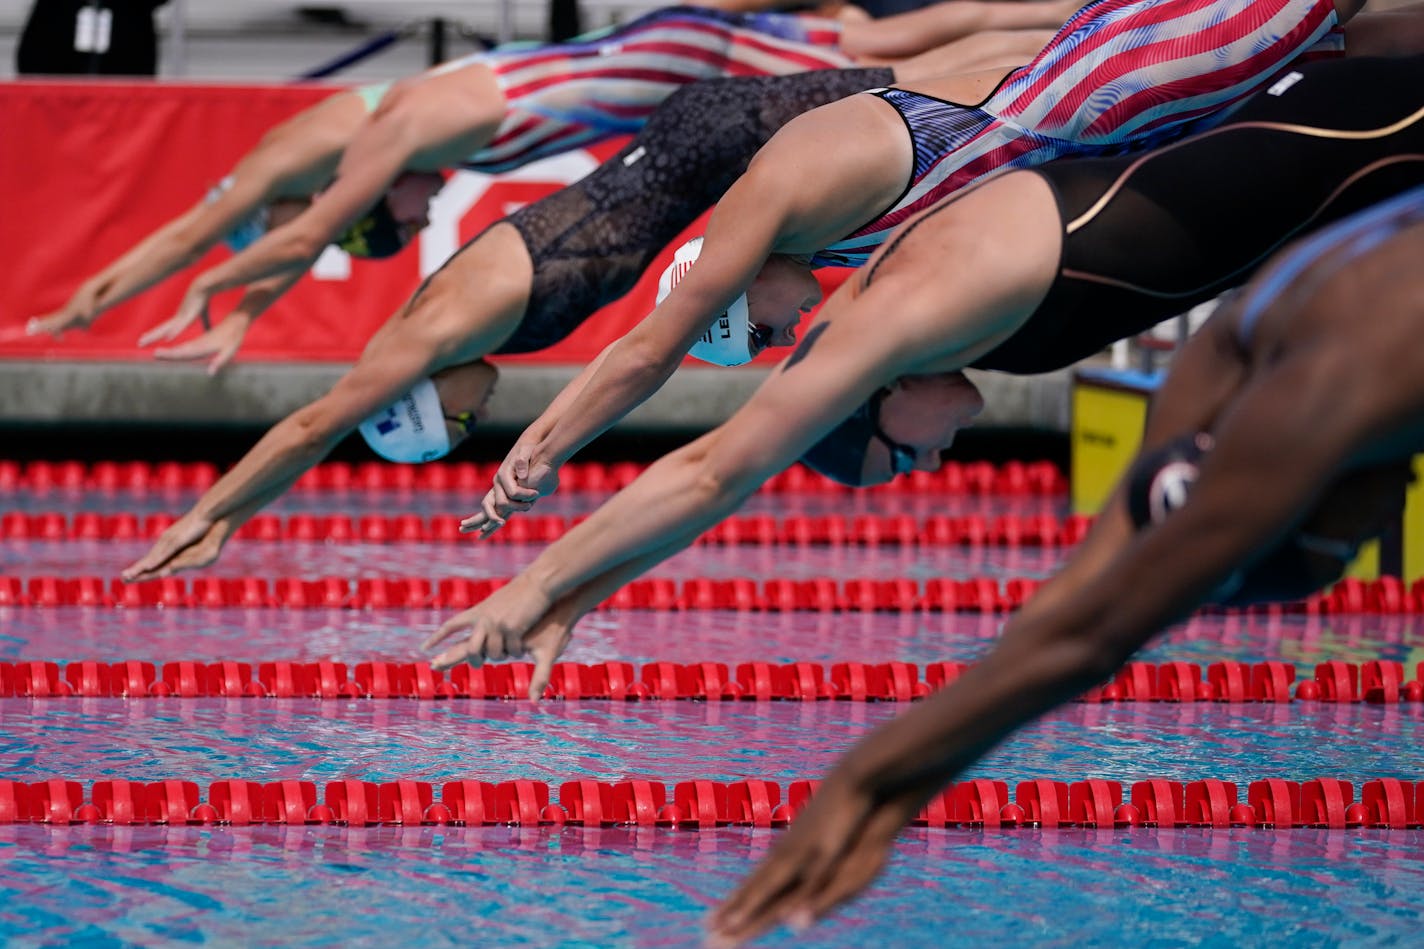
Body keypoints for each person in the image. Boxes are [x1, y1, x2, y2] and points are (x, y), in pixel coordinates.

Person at [417, 50, 1424, 697]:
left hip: (1215, 73)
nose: (938, 459)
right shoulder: (880, 276)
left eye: (908, 455)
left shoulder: (891, 297)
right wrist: (577, 599)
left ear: (879, 397)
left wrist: (536, 559)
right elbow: (731, 473)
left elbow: (712, 460)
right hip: (1263, 127)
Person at [706, 184, 1424, 946]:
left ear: (1293, 500)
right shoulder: (1245, 350)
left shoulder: (1305, 384)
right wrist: (894, 793)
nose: (1392, 510)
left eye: (1346, 548)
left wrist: (862, 784)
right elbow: (1080, 605)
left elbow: (1096, 632)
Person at [465, 0, 1399, 533]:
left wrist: (539, 449)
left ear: (724, 283)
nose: (786, 333)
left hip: (1121, 79)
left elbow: (643, 351)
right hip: (1121, 99)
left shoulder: (781, 185)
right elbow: (990, 59)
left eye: (756, 328)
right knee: (1387, 48)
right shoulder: (843, 244)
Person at [116, 54, 986, 582]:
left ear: (425, 395)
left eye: (457, 422)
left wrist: (216, 515)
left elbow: (313, 425)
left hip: (711, 139)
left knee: (978, 70)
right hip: (701, 142)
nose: (475, 418)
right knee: (974, 59)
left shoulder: (437, 327)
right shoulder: (466, 330)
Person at [21, 5, 870, 362]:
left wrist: (197, 288)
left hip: (657, 64)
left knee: (877, 62)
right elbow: (288, 239)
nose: (424, 207)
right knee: (873, 40)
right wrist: (237, 310)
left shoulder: (329, 156)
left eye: (397, 217)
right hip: (644, 69)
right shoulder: (341, 156)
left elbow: (215, 239)